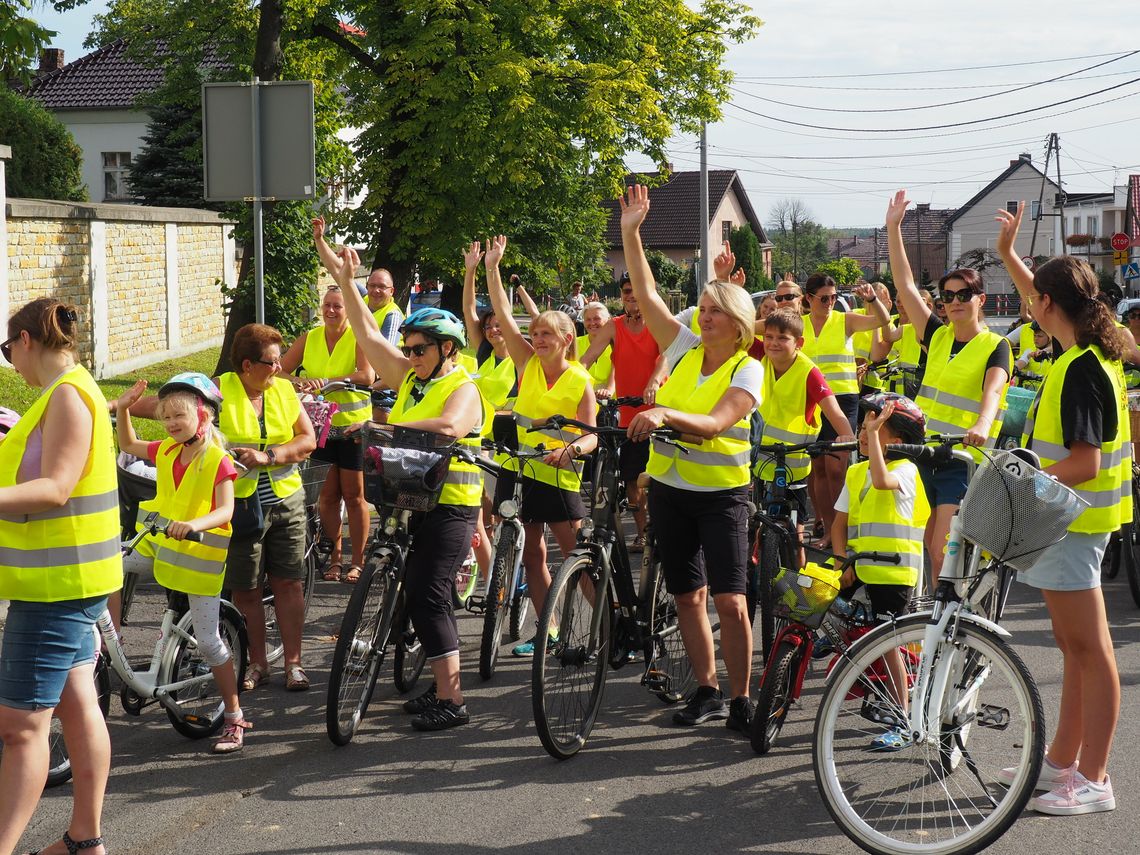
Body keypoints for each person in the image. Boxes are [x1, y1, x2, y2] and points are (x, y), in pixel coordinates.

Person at [996, 204, 1125, 815]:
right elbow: (1043, 290)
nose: (1027, 306)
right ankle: (1062, 765)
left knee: (1089, 652)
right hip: (1078, 524)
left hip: (1075, 522)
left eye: (1033, 300)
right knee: (1078, 650)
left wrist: (1020, 477)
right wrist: (1007, 253)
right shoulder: (1090, 353)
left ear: (1047, 306)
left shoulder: (1079, 368)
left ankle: (1094, 779)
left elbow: (1084, 463)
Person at [620, 184, 763, 735]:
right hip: (670, 489)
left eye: (714, 312)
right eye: (701, 310)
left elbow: (717, 423)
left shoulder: (746, 370)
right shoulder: (681, 347)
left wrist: (665, 417)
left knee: (730, 601)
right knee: (688, 595)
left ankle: (742, 697)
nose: (703, 319)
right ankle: (706, 688)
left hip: (723, 496)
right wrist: (632, 231)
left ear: (738, 322)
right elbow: (649, 292)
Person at [330, 245, 488, 731]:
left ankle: (454, 700)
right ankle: (430, 678)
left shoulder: (463, 386)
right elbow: (369, 335)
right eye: (411, 349)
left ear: (448, 350)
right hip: (407, 500)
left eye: (421, 349)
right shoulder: (411, 379)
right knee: (405, 588)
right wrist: (347, 282)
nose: (412, 356)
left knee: (428, 593)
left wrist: (384, 430)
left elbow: (447, 427)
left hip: (452, 509)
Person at [0, 298, 119, 855]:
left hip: (55, 588)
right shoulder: (73, 389)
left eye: (7, 349)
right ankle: (84, 839)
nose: (10, 364)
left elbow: (57, 487)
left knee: (21, 728)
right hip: (69, 580)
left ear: (26, 340)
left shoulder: (67, 395)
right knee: (77, 703)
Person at [115, 373, 247, 753]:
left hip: (199, 558)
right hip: (162, 549)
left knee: (209, 642)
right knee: (106, 566)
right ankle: (111, 645)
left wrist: (193, 524)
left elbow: (225, 509)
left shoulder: (218, 459)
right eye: (166, 416)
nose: (171, 423)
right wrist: (124, 407)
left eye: (180, 415)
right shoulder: (168, 450)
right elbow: (127, 443)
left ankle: (234, 717)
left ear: (203, 416)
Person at [481, 235, 599, 657]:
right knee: (532, 553)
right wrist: (492, 268)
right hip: (522, 469)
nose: (539, 338)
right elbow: (502, 316)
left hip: (559, 474)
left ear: (568, 339)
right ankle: (546, 627)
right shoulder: (527, 362)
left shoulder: (579, 379)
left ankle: (607, 623)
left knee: (575, 554)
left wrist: (569, 451)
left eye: (547, 333)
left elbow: (592, 435)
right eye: (536, 332)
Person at [887, 190, 1010, 585]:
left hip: (960, 459)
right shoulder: (937, 337)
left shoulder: (996, 345)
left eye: (963, 295)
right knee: (918, 546)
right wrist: (894, 227)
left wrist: (982, 425)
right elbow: (905, 284)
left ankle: (953, 628)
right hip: (923, 451)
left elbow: (992, 393)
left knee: (941, 555)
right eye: (947, 296)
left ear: (981, 300)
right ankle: (928, 628)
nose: (954, 302)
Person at [831, 392, 931, 751]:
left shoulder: (905, 471)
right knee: (814, 597)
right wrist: (842, 560)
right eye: (862, 427)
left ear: (898, 441)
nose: (863, 432)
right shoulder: (856, 471)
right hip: (860, 567)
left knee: (888, 643)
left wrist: (871, 439)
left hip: (894, 573)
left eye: (874, 428)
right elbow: (839, 524)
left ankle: (903, 716)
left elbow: (881, 480)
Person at [281, 286, 375, 584]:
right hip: (319, 428)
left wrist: (329, 382)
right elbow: (279, 370)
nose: (331, 311)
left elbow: (367, 376)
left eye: (338, 306)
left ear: (348, 309)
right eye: (327, 305)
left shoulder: (357, 336)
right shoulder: (310, 337)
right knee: (328, 496)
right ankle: (334, 557)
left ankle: (357, 561)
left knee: (355, 495)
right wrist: (299, 381)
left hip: (352, 428)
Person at [753, 309, 857, 566]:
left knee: (796, 530)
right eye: (768, 336)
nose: (773, 343)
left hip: (794, 463)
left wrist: (846, 434)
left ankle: (796, 581)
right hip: (760, 457)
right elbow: (738, 328)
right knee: (755, 521)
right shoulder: (759, 357)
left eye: (782, 338)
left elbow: (833, 409)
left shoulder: (809, 371)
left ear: (799, 344)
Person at [800, 274, 891, 548]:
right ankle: (829, 529)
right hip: (811, 401)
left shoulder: (844, 320)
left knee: (836, 468)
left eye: (833, 297)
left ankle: (843, 529)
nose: (830, 303)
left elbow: (883, 321)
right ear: (808, 299)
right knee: (818, 469)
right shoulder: (799, 324)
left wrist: (872, 300)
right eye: (823, 298)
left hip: (843, 399)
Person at [580, 272, 668, 551]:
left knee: (662, 479)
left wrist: (654, 380)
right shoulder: (613, 326)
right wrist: (568, 382)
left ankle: (667, 528)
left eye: (637, 290)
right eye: (627, 291)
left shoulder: (657, 324)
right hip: (629, 415)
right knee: (632, 478)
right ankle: (643, 534)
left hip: (661, 413)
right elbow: (587, 359)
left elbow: (666, 357)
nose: (632, 296)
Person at [461, 241, 516, 585]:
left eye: (500, 324)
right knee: (476, 503)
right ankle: (485, 564)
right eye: (490, 325)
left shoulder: (519, 356)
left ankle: (504, 570)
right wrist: (470, 271)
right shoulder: (483, 352)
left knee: (496, 507)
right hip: (479, 437)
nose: (494, 329)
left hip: (507, 441)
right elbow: (469, 310)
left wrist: (492, 270)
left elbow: (505, 313)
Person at [577, 302, 615, 396]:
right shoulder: (575, 344)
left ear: (608, 320)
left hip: (611, 400)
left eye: (597, 318)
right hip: (582, 397)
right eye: (588, 320)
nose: (592, 323)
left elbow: (616, 371)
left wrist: (608, 390)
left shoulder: (616, 344)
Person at [1013, 321, 1053, 389]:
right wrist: (1013, 368)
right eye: (1034, 335)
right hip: (1028, 392)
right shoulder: (1030, 351)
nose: (1036, 339)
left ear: (1050, 337)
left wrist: (1044, 352)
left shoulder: (1056, 353)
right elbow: (1021, 362)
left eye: (1040, 336)